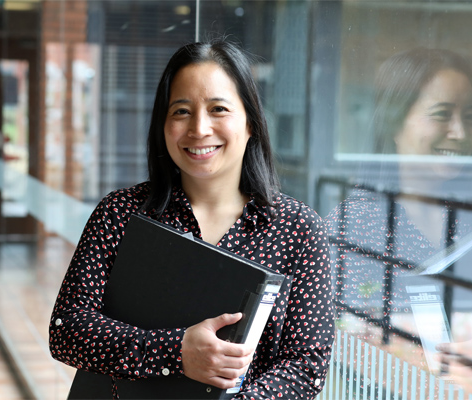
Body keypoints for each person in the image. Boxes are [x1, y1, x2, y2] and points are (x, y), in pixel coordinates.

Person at [49, 40, 335, 399]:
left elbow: (306, 366)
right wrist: (176, 352)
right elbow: (66, 331)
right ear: (163, 124)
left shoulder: (298, 229)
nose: (199, 129)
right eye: (181, 111)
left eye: (218, 109)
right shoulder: (120, 213)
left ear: (250, 123)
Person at [325, 47, 472, 396]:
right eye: (442, 114)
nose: (460, 132)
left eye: (471, 116)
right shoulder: (354, 224)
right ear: (394, 121)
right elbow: (340, 344)